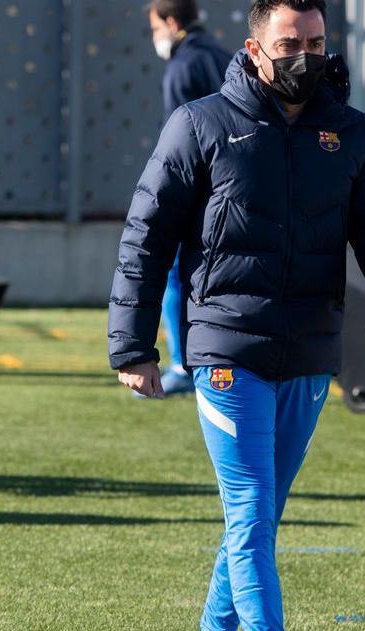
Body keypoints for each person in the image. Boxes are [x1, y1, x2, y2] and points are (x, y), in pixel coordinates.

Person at [108, 1, 365, 631]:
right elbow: (146, 238)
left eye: (315, 39)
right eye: (289, 43)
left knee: (260, 516)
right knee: (250, 508)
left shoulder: (352, 134)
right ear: (254, 49)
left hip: (311, 351)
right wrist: (131, 345)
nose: (306, 54)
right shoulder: (199, 125)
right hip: (226, 348)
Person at [147, 0, 232, 396]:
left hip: (197, 194)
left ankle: (184, 364)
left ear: (171, 21)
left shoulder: (182, 67)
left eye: (154, 28)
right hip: (235, 191)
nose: (155, 38)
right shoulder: (223, 55)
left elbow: (179, 144)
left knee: (177, 277)